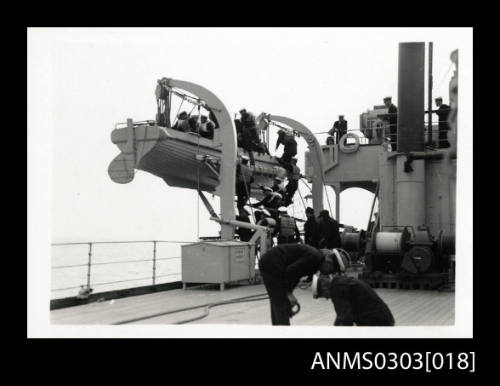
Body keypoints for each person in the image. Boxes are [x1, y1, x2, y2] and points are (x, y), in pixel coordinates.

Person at [258, 245, 339, 325]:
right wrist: (288, 293)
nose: (329, 273)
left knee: (279, 300)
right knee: (280, 300)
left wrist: (289, 294)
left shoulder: (316, 259)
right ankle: (282, 330)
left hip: (273, 263)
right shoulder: (314, 258)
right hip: (272, 264)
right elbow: (291, 271)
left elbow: (296, 275)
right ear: (329, 261)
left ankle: (279, 327)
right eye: (331, 270)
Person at [314, 252, 395, 326]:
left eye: (323, 295)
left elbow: (345, 319)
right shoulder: (339, 282)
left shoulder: (337, 289)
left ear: (324, 287)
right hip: (381, 318)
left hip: (376, 322)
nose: (327, 298)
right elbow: (344, 316)